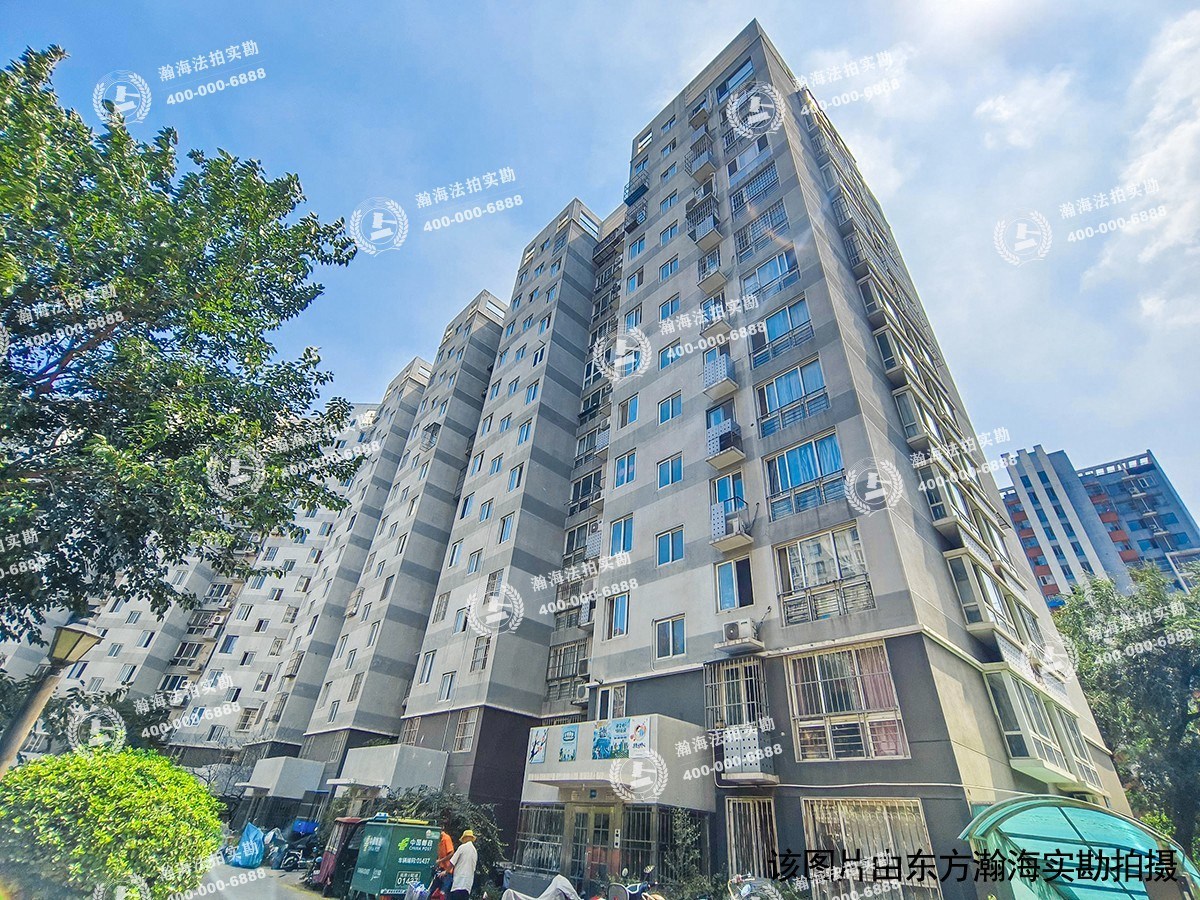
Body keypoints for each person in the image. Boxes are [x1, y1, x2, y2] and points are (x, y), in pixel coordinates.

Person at [449, 829, 478, 900]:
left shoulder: (462, 847)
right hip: (468, 883)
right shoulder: (475, 851)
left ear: (466, 838)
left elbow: (452, 862)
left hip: (459, 881)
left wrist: (445, 872)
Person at [433, 814, 456, 899]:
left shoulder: (446, 838)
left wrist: (440, 860)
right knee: (434, 891)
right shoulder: (438, 840)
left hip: (447, 871)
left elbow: (451, 853)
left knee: (443, 893)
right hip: (441, 869)